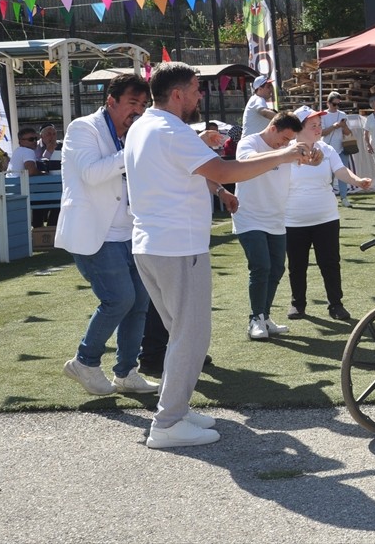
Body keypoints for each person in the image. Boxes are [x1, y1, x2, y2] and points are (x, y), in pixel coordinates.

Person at [125, 61, 308, 449]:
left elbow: (203, 171)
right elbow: (226, 172)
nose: (199, 95)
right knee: (191, 336)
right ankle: (169, 421)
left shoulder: (145, 124)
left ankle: (175, 408)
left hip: (152, 244)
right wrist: (286, 155)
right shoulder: (170, 129)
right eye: (194, 89)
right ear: (177, 94)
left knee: (182, 334)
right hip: (177, 246)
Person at [58, 73, 159, 397]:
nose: (138, 111)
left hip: (131, 231)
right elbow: (91, 174)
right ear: (111, 101)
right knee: (119, 299)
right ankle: (84, 361)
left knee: (140, 302)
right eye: (132, 103)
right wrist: (130, 149)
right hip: (96, 233)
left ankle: (127, 372)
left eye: (143, 105)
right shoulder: (83, 128)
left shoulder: (133, 134)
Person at [285, 105, 372, 322]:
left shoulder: (327, 150)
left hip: (326, 217)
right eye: (313, 125)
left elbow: (342, 171)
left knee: (330, 263)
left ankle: (336, 304)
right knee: (297, 265)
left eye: (319, 125)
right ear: (298, 128)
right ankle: (298, 304)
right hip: (294, 220)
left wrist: (357, 181)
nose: (318, 128)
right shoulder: (286, 151)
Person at [234, 111, 304, 340]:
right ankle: (255, 318)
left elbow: (313, 160)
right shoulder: (249, 142)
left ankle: (264, 316)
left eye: (290, 140)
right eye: (284, 138)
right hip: (249, 215)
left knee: (276, 268)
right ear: (272, 127)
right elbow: (246, 161)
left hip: (276, 217)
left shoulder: (285, 149)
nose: (286, 143)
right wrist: (285, 154)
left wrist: (314, 156)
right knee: (261, 266)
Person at [320, 91, 355, 207]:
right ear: (328, 103)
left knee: (343, 174)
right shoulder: (323, 115)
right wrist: (334, 127)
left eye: (338, 104)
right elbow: (322, 133)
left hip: (341, 149)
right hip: (327, 149)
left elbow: (348, 133)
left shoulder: (342, 114)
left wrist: (343, 126)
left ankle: (344, 198)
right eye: (334, 104)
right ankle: (328, 199)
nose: (336, 107)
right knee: (328, 176)